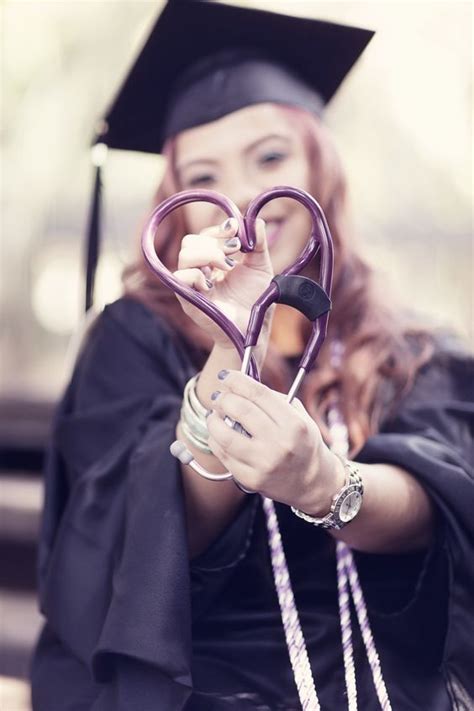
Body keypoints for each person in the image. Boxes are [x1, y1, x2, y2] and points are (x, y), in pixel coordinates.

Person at [30, 1, 473, 710]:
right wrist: (232, 343)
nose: (239, 195)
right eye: (203, 176)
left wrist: (327, 485)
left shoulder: (410, 345)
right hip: (206, 684)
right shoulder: (132, 338)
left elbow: (445, 500)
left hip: (385, 681)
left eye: (269, 158)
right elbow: (133, 543)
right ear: (174, 198)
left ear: (319, 169)